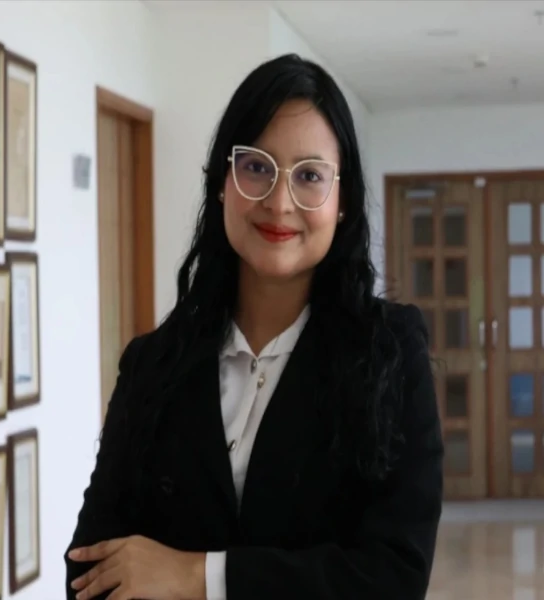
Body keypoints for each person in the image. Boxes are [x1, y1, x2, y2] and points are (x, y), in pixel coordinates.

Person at [65, 53, 443, 600]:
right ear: (223, 181)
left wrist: (199, 576)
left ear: (342, 201)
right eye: (257, 167)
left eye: (309, 176)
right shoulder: (152, 365)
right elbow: (89, 573)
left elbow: (393, 579)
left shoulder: (390, 354)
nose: (279, 202)